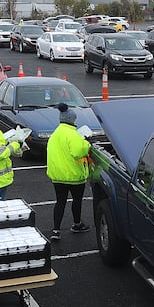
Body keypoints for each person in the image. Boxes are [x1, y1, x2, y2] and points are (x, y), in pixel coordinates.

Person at [46, 103, 92, 241]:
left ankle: (56, 230)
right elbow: (78, 152)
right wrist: (87, 143)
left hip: (57, 176)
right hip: (74, 176)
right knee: (76, 201)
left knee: (60, 202)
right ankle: (77, 224)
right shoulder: (73, 134)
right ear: (72, 120)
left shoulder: (55, 134)